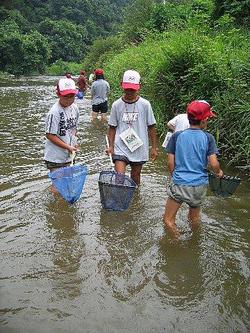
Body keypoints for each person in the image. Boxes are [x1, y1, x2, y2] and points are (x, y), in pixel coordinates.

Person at [163, 100, 223, 238]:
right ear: (204, 120)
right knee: (194, 219)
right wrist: (219, 172)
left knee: (168, 220)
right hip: (199, 185)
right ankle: (194, 242)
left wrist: (175, 176)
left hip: (180, 183)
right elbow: (214, 164)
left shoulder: (177, 136)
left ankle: (176, 243)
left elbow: (170, 162)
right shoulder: (208, 138)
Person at [106, 69, 158, 185]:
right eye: (127, 88)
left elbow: (152, 126)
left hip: (138, 146)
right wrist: (111, 146)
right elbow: (112, 127)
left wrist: (154, 148)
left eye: (132, 88)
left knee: (135, 177)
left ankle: (135, 199)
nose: (129, 91)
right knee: (119, 178)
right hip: (120, 146)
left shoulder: (145, 105)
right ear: (121, 85)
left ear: (139, 87)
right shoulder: (116, 105)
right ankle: (120, 200)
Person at [44, 78, 80, 193]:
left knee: (68, 181)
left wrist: (74, 143)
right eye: (66, 97)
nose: (69, 100)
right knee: (58, 184)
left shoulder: (74, 108)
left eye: (72, 96)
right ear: (58, 94)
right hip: (55, 156)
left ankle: (62, 205)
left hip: (68, 153)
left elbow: (74, 128)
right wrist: (67, 147)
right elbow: (49, 135)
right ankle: (55, 208)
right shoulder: (54, 112)